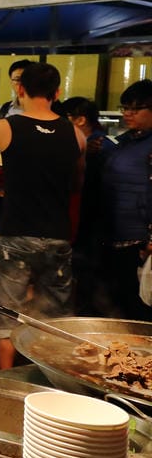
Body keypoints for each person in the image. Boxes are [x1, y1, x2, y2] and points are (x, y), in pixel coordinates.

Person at [0, 62, 84, 369]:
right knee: (55, 318)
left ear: (20, 89)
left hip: (16, 235)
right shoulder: (76, 134)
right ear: (57, 93)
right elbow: (77, 184)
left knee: (8, 312)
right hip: (58, 236)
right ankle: (51, 377)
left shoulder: (4, 128)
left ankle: (7, 378)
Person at [99, 80, 152, 321]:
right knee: (119, 304)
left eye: (136, 108)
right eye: (125, 108)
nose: (128, 113)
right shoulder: (124, 142)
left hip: (141, 243)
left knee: (139, 309)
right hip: (115, 236)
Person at [58, 97, 114, 315]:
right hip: (88, 222)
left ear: (80, 120)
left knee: (87, 275)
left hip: (91, 222)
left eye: (65, 118)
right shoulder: (91, 144)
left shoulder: (99, 146)